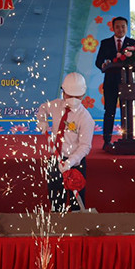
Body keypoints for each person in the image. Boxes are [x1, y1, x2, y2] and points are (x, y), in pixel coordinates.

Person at [36, 72, 94, 212]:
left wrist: (70, 162)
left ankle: (77, 220)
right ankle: (58, 219)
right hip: (55, 159)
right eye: (69, 95)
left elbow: (85, 146)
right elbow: (43, 108)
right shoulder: (56, 105)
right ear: (63, 92)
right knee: (55, 196)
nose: (73, 99)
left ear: (83, 94)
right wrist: (42, 120)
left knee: (76, 200)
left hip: (76, 163)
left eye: (77, 96)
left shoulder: (85, 118)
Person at [95, 16, 135, 149]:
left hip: (128, 83)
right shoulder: (105, 43)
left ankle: (129, 138)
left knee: (129, 111)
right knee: (110, 111)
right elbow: (98, 62)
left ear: (127, 27)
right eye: (118, 27)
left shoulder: (133, 43)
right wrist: (104, 64)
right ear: (113, 28)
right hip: (110, 83)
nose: (121, 29)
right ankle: (107, 141)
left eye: (123, 26)